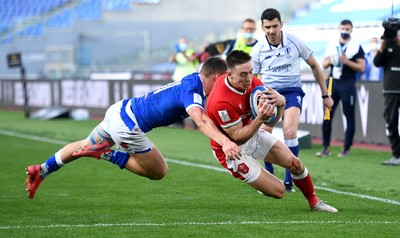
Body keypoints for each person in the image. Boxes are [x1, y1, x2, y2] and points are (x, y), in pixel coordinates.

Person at [25, 57, 242, 199]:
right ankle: (105, 154)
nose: (225, 85)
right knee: (159, 172)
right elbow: (201, 120)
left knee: (83, 144)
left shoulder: (192, 79)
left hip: (120, 110)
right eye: (224, 81)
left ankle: (42, 170)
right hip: (128, 126)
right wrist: (226, 142)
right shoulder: (193, 91)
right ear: (216, 77)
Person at [206, 50, 338, 212]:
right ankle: (257, 177)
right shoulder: (221, 101)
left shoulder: (254, 83)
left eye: (251, 72)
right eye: (243, 75)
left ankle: (315, 203)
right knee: (279, 191)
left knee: (295, 163)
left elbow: (271, 121)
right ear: (230, 74)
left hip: (251, 132)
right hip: (231, 149)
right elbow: (238, 138)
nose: (249, 78)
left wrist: (281, 104)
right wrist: (260, 119)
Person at [251, 8, 333, 192]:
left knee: (289, 131)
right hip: (268, 93)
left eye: (274, 26)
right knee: (264, 132)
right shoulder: (258, 49)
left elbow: (314, 65)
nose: (271, 31)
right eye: (267, 27)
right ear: (262, 28)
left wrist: (325, 95)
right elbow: (253, 78)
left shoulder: (294, 42)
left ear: (281, 24)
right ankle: (269, 172)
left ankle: (290, 178)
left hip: (291, 92)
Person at [316, 19, 365, 157]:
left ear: (351, 30)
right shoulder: (333, 43)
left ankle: (346, 148)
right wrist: (332, 59)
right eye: (343, 28)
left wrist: (347, 62)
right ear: (339, 28)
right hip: (332, 83)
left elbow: (362, 67)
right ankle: (325, 147)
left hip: (347, 83)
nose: (344, 31)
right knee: (327, 115)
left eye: (347, 29)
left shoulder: (356, 46)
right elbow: (324, 64)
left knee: (349, 116)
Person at [373, 30, 400, 166]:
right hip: (391, 89)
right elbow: (376, 63)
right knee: (391, 120)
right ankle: (396, 154)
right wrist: (382, 46)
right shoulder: (388, 47)